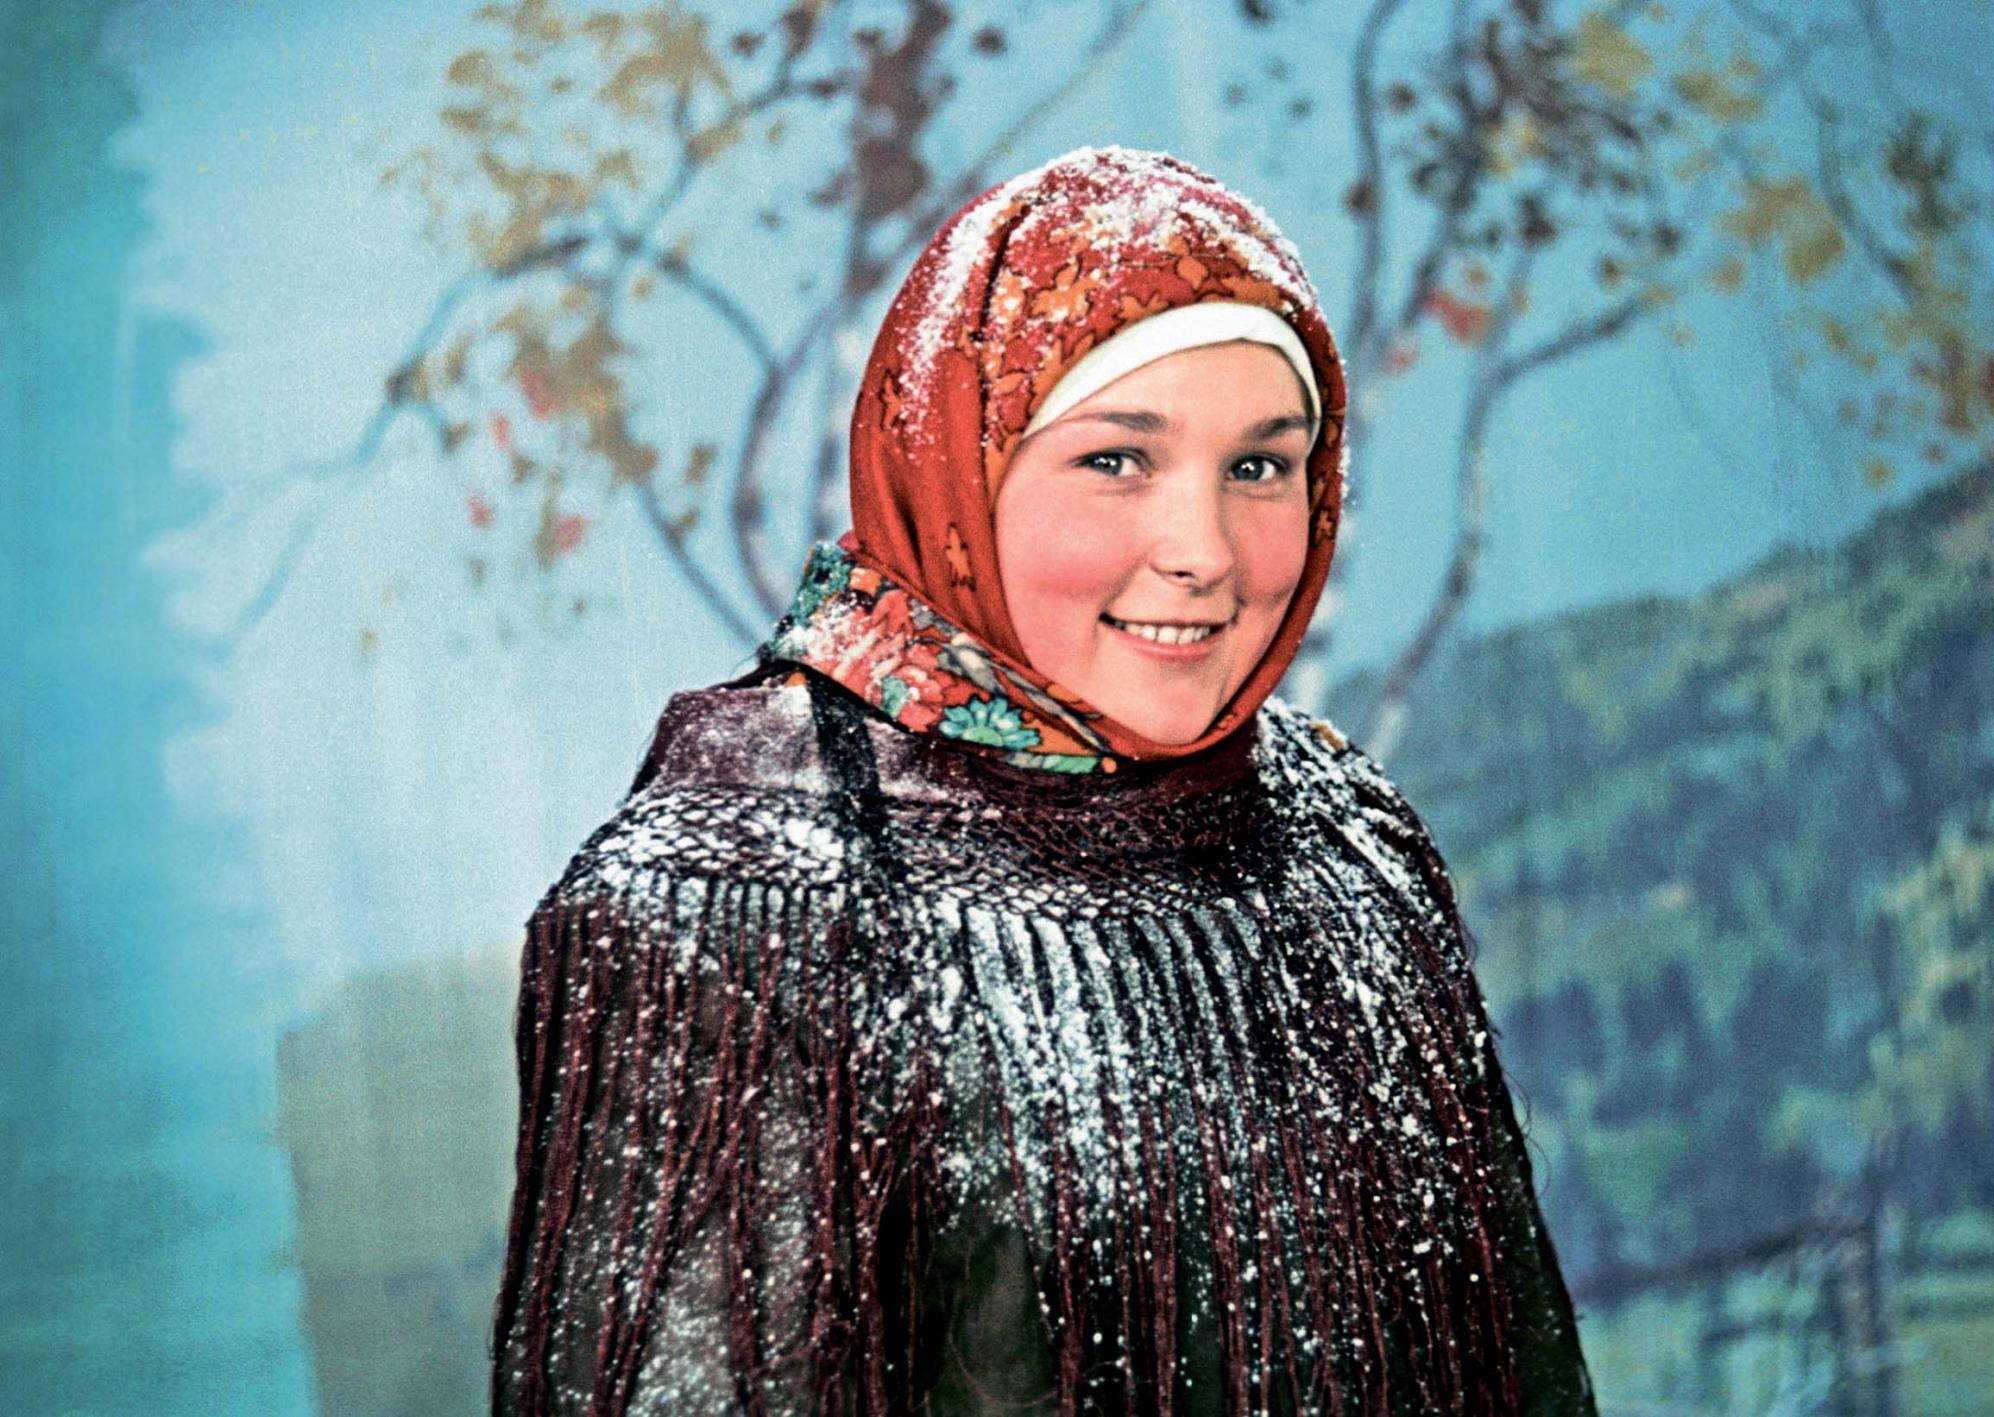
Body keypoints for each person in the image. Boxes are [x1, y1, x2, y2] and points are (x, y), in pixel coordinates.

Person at [492, 146, 1596, 1415]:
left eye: (1258, 466)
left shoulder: (1344, 836)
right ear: (957, 465)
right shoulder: (733, 912)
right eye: (1116, 460)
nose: (1202, 551)